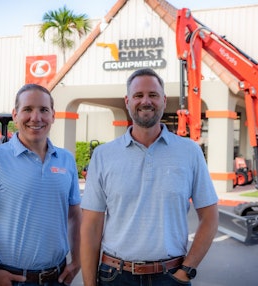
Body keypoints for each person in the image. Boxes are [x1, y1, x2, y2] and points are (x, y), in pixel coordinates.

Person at [80, 68, 219, 286]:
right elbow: (91, 226)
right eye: (138, 95)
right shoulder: (103, 155)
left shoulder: (189, 152)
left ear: (164, 100)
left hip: (171, 276)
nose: (146, 101)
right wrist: (89, 284)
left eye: (153, 95)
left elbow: (210, 217)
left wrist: (186, 271)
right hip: (116, 277)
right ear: (127, 101)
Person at [0, 83, 82, 286]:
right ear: (15, 115)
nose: (36, 117)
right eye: (27, 109)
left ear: (53, 116)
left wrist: (77, 259)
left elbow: (75, 215)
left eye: (43, 110)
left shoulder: (66, 159)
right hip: (11, 279)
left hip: (57, 278)